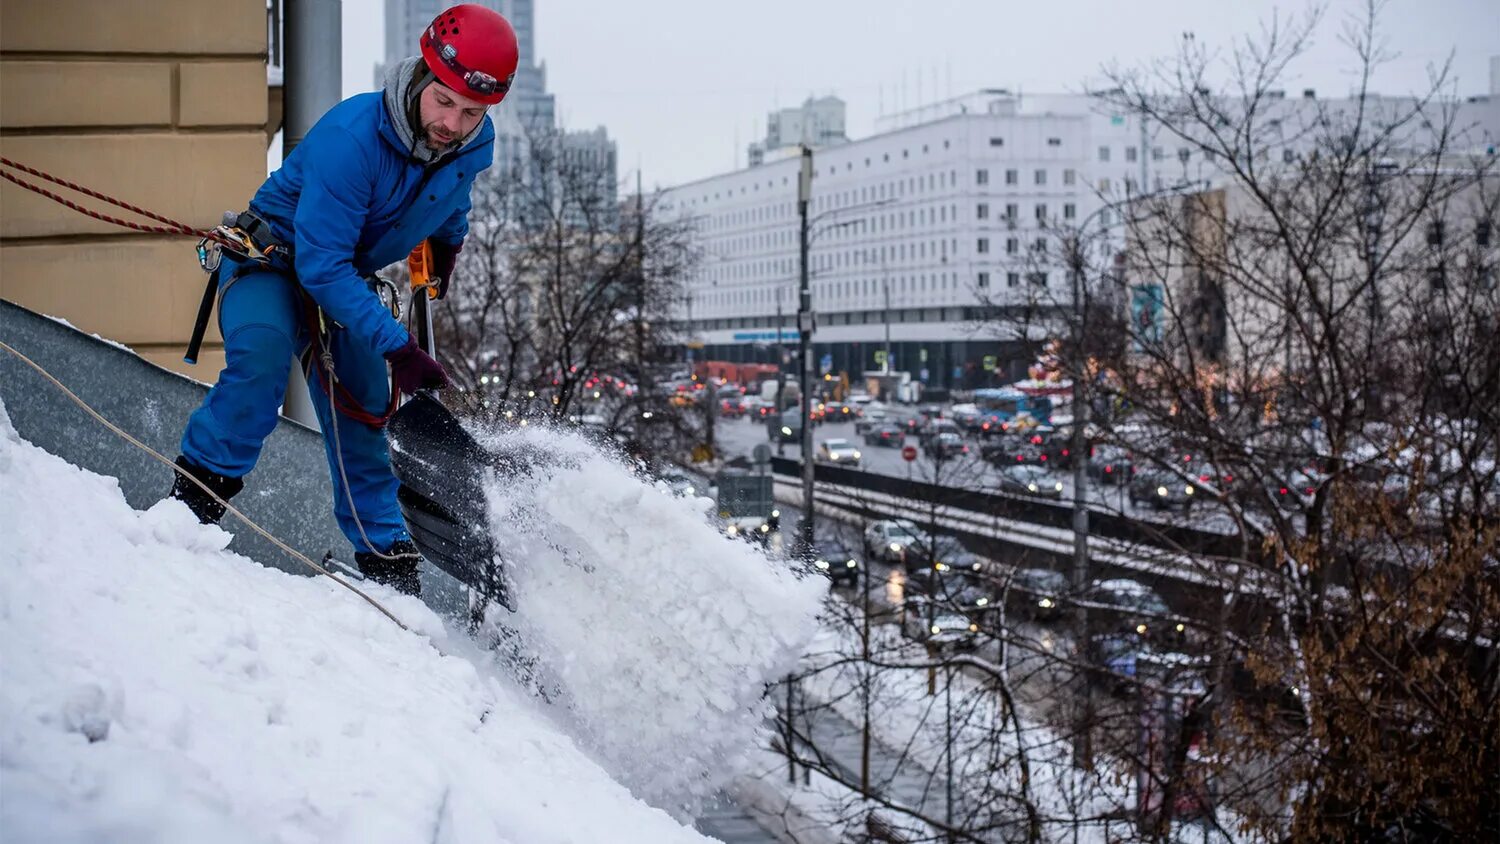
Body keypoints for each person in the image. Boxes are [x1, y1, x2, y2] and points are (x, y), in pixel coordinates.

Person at [167, 4, 519, 597]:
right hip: (273, 263)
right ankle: (190, 512)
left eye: (471, 112)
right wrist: (398, 345)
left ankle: (386, 564)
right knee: (261, 362)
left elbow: (451, 198)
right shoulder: (352, 137)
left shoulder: (473, 144)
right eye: (444, 102)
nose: (453, 124)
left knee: (366, 413)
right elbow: (321, 266)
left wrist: (446, 246)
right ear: (419, 78)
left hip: (342, 282)